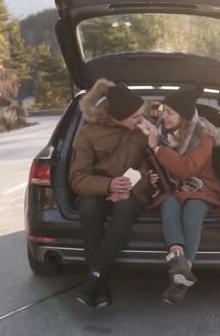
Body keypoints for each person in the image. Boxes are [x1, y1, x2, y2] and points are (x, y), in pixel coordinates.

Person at [137, 85, 220, 305]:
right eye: (164, 110)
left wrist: (157, 147)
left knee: (193, 211)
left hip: (200, 187)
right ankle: (179, 266)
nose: (164, 116)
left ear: (183, 116)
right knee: (169, 206)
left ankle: (181, 277)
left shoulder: (205, 135)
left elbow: (187, 168)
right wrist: (154, 176)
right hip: (170, 188)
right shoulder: (160, 132)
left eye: (170, 112)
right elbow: (154, 166)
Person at [69, 78, 151, 309]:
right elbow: (77, 178)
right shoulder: (88, 134)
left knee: (125, 208)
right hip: (99, 190)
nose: (142, 120)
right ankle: (100, 286)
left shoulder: (142, 130)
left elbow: (149, 170)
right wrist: (108, 186)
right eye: (136, 116)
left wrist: (129, 188)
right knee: (88, 207)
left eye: (142, 114)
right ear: (117, 117)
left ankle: (93, 281)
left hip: (134, 192)